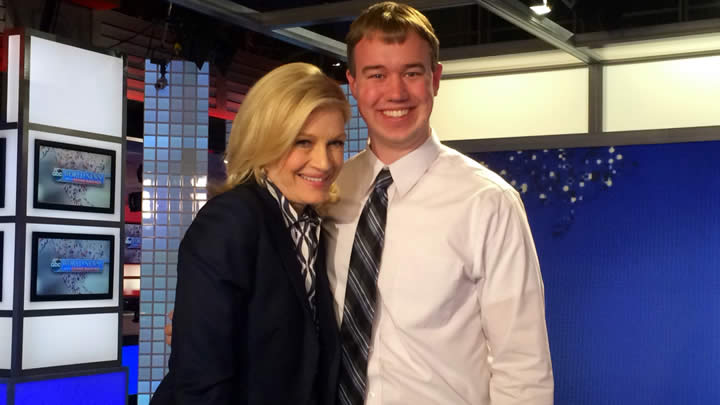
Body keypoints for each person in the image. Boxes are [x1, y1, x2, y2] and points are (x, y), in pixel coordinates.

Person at [324, 2, 554, 405]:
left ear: (436, 79)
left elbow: (523, 366)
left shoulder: (488, 202)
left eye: (411, 73)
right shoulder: (328, 191)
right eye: (376, 74)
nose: (395, 92)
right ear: (353, 84)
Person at [150, 62, 349, 405]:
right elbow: (200, 380)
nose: (324, 162)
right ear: (263, 142)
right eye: (303, 142)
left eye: (335, 143)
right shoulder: (231, 219)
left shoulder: (314, 220)